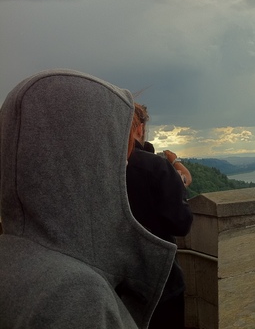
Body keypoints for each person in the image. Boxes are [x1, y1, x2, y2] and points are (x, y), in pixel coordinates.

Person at [0, 69, 176, 329]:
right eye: (119, 160)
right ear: (88, 162)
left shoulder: (13, 256)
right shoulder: (76, 295)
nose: (124, 169)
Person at [126, 103, 193, 329]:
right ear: (139, 128)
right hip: (160, 280)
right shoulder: (155, 168)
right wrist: (175, 168)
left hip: (115, 282)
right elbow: (181, 223)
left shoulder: (101, 166)